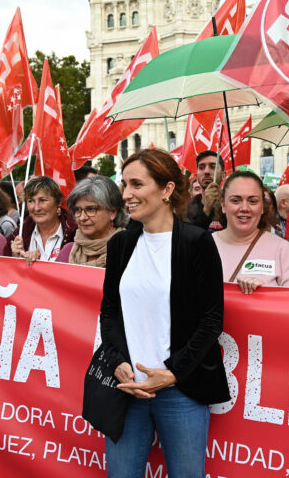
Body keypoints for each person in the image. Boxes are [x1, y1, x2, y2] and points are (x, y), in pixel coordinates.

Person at [99, 148, 228, 476]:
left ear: (167, 189)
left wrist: (172, 373)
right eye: (124, 185)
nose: (126, 194)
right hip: (127, 389)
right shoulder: (120, 245)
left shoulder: (197, 242)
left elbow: (211, 320)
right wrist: (118, 364)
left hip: (181, 391)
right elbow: (110, 312)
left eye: (136, 184)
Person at [214, 171, 289, 294]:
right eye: (235, 200)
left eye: (253, 201)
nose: (244, 208)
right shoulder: (203, 245)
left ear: (262, 207)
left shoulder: (282, 249)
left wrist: (263, 294)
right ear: (223, 205)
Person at [55, 176, 128, 266]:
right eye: (77, 210)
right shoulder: (67, 251)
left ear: (112, 212)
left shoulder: (128, 251)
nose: (82, 217)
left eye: (91, 209)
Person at [5, 176, 76, 264]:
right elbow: (6, 269)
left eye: (43, 200)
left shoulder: (75, 234)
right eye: (31, 201)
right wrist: (16, 258)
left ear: (58, 202)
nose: (36, 208)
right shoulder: (18, 236)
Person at [186, 150, 224, 230]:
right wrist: (206, 210)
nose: (206, 172)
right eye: (201, 167)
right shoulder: (186, 208)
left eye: (213, 167)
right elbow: (189, 236)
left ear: (223, 176)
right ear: (197, 176)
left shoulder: (232, 204)